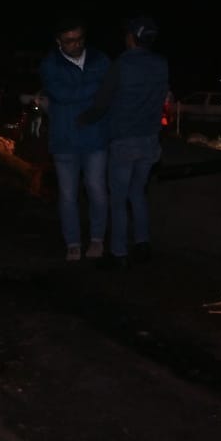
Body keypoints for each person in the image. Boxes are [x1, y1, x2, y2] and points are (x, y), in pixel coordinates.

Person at [78, 15, 170, 268]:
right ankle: (142, 242)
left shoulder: (121, 65)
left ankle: (119, 253)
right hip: (150, 140)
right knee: (137, 192)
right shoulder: (162, 65)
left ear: (131, 38)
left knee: (118, 199)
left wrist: (81, 119)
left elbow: (101, 104)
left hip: (124, 141)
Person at [37, 17, 111, 261]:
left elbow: (110, 92)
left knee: (97, 189)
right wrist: (95, 87)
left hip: (96, 137)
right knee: (67, 194)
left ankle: (97, 240)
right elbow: (61, 94)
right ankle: (73, 243)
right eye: (69, 41)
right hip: (65, 139)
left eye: (79, 39)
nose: (76, 44)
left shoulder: (100, 59)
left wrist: (93, 91)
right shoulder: (50, 64)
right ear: (58, 41)